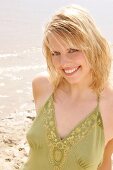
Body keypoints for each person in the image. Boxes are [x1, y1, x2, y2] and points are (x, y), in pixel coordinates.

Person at [22, 4, 113, 170]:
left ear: (93, 46)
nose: (63, 63)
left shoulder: (110, 104)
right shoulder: (42, 86)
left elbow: (105, 164)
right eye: (55, 53)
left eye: (72, 50)